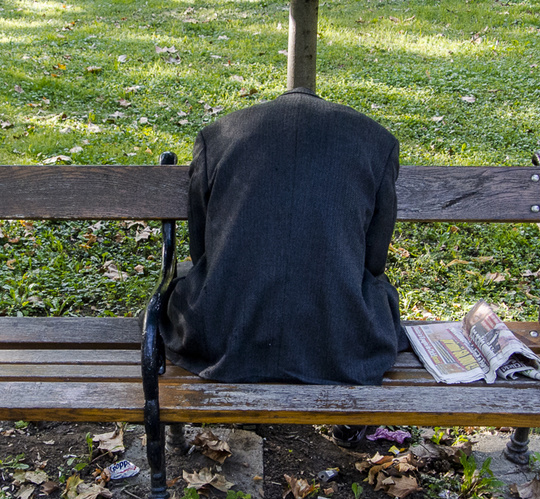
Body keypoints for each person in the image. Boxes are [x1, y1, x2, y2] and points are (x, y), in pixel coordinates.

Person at [160, 87, 408, 448]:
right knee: (379, 294)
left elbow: (202, 251)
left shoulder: (218, 136)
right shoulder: (376, 141)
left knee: (183, 285)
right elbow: (373, 261)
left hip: (225, 335)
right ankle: (351, 424)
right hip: (339, 338)